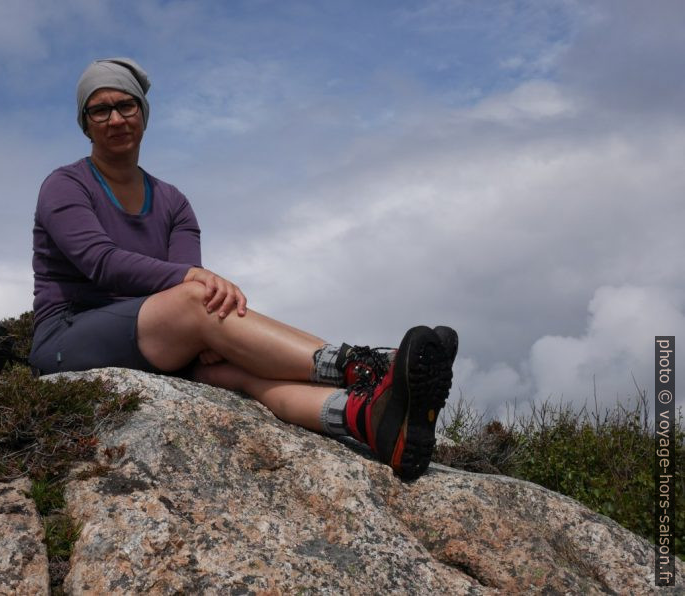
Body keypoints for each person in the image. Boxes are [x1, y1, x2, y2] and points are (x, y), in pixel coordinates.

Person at [30, 57, 458, 481]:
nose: (116, 119)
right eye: (100, 110)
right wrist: (191, 296)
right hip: (69, 337)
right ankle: (368, 368)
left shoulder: (172, 201)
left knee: (240, 373)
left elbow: (180, 283)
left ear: (144, 113)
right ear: (84, 124)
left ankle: (365, 416)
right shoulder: (65, 185)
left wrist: (200, 327)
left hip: (156, 334)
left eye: (126, 106)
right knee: (200, 298)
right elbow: (102, 263)